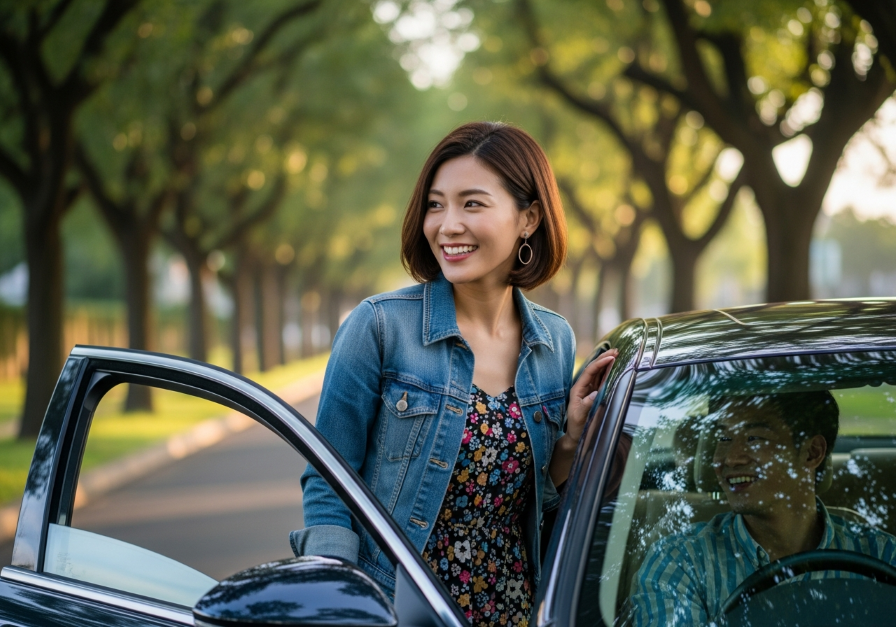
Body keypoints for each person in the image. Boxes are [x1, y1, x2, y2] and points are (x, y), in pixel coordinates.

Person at [291, 121, 617, 626]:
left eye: (472, 203)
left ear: (528, 218)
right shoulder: (378, 328)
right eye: (436, 204)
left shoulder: (555, 344)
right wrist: (340, 607)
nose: (447, 225)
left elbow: (534, 507)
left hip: (513, 610)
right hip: (399, 608)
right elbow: (328, 482)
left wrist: (571, 443)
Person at [629, 391, 896, 626]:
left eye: (754, 437)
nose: (731, 458)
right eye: (723, 438)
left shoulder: (883, 556)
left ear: (812, 453)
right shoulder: (681, 563)